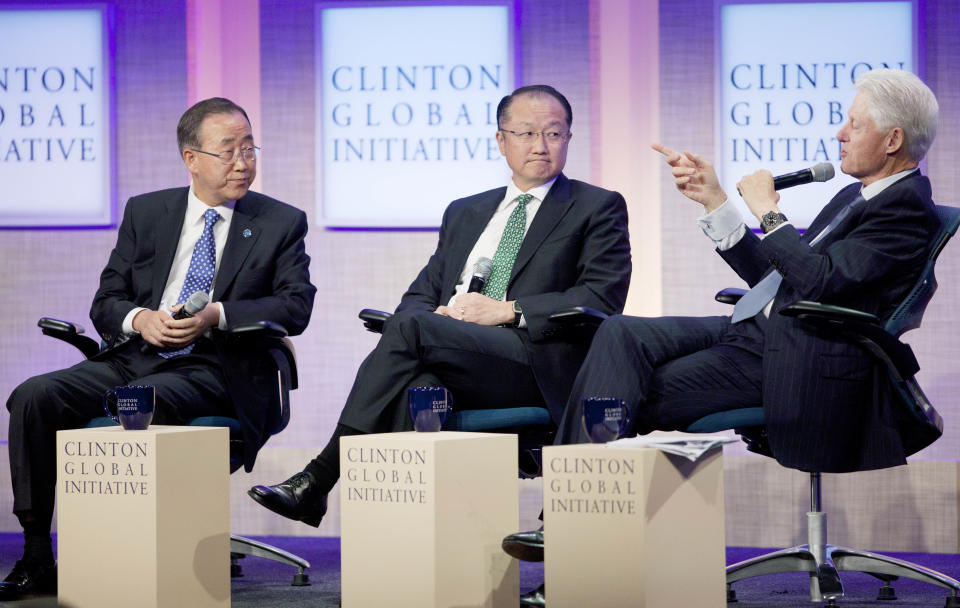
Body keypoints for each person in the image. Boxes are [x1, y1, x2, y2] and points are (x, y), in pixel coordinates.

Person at [503, 68, 940, 606]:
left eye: (853, 123)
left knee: (621, 391)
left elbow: (820, 282)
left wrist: (769, 210)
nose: (840, 134)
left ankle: (571, 546)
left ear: (893, 139)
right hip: (760, 333)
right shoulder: (857, 196)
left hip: (801, 360)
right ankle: (566, 526)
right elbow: (778, 276)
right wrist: (715, 201)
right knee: (617, 335)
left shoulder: (905, 209)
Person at [248, 85, 632, 533]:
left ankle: (319, 478)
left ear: (569, 139)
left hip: (533, 362)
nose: (541, 146)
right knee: (419, 380)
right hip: (455, 355)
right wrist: (442, 320)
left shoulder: (596, 207)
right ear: (501, 140)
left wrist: (507, 310)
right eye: (527, 133)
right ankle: (427, 555)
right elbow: (421, 293)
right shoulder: (466, 212)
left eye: (554, 133)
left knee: (412, 335)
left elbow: (600, 296)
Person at [1, 97, 316, 599]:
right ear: (192, 158)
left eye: (250, 148)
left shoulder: (280, 222)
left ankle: (131, 553)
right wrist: (139, 318)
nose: (244, 162)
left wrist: (217, 315)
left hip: (218, 368)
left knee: (142, 400)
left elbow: (295, 308)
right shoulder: (147, 212)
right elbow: (106, 300)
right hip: (136, 355)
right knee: (34, 396)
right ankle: (37, 551)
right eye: (229, 151)